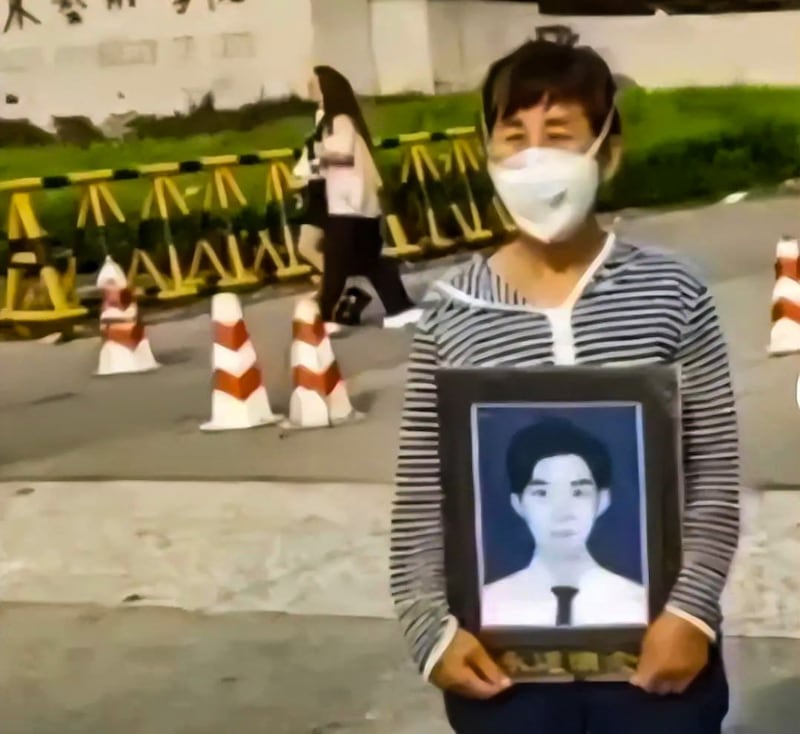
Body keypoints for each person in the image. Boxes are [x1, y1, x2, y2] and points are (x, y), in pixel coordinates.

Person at [391, 39, 740, 734]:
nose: (532, 158)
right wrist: (428, 631)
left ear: (607, 151)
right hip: (501, 674)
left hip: (658, 659)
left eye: (558, 136)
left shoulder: (671, 292)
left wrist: (693, 611)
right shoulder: (452, 310)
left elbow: (714, 471)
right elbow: (424, 491)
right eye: (512, 137)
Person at [482, 416, 647, 629]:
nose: (562, 512)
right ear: (518, 503)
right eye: (542, 493)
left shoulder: (639, 604)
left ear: (603, 500)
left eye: (578, 492)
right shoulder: (489, 604)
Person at [308, 65, 421, 333]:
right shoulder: (339, 118)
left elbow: (343, 154)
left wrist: (316, 158)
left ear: (327, 88)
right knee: (370, 261)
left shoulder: (339, 120)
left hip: (347, 207)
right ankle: (399, 308)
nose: (309, 88)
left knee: (335, 265)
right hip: (360, 205)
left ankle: (323, 321)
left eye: (314, 83)